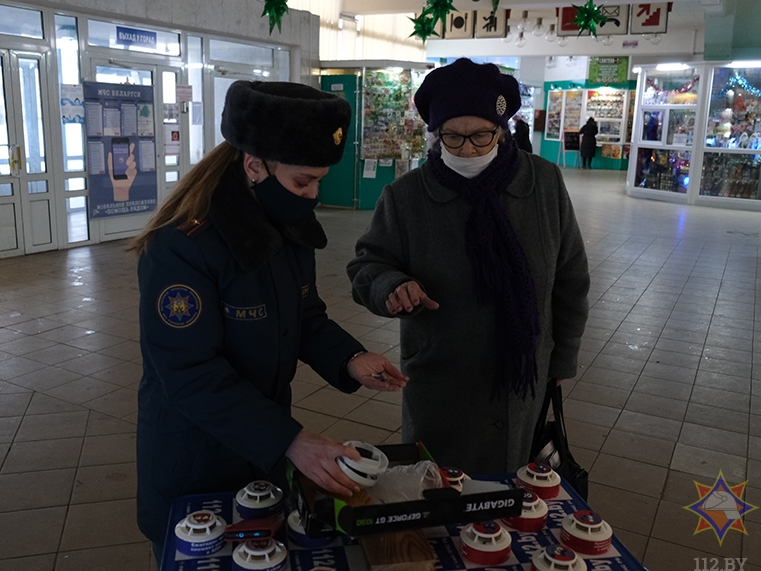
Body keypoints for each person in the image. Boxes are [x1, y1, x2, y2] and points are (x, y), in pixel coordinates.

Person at [130, 81, 408, 562]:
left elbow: (304, 315)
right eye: (303, 181)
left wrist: (351, 358)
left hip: (262, 453)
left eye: (320, 179)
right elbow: (189, 372)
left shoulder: (288, 227)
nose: (314, 194)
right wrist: (292, 440)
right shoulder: (184, 247)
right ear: (253, 165)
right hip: (194, 457)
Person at [347, 58, 589, 475]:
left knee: (512, 489)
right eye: (452, 138)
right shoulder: (407, 196)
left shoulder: (543, 183)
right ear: (435, 135)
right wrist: (391, 284)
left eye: (481, 135)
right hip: (442, 375)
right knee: (438, 485)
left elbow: (571, 278)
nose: (469, 148)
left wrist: (560, 361)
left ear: (502, 128)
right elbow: (367, 265)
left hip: (522, 376)